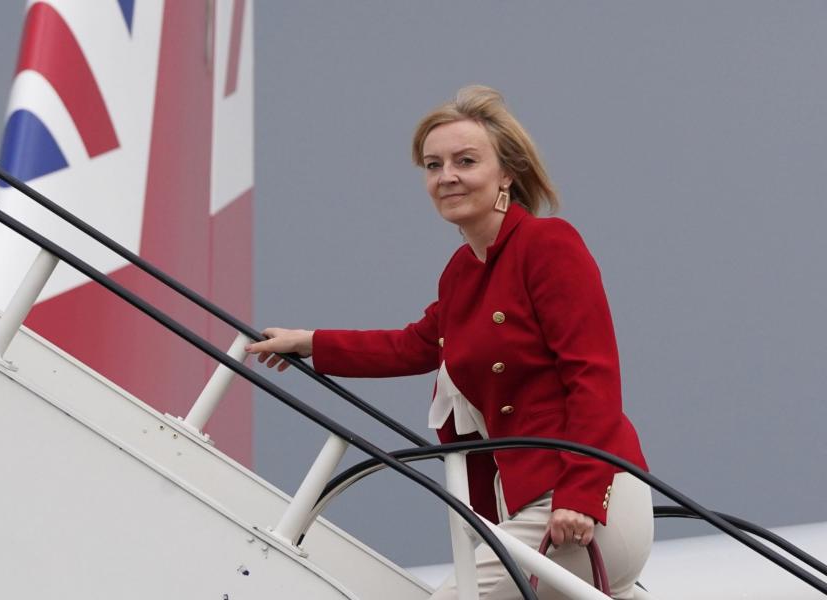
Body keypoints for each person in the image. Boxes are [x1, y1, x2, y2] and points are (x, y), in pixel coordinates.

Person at [246, 85, 653, 599]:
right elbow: (414, 346)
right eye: (433, 165)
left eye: (465, 161)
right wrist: (310, 342)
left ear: (507, 172)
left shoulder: (548, 245)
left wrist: (580, 494)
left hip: (585, 497)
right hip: (529, 501)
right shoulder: (462, 273)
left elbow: (593, 374)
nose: (447, 177)